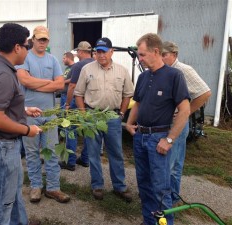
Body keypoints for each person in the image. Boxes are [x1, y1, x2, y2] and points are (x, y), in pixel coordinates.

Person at [0, 23, 42, 225]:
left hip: (2, 145)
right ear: (17, 47)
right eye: (27, 45)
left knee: (11, 195)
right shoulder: (3, 74)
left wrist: (21, 111)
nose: (28, 49)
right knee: (1, 203)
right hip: (1, 146)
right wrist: (27, 130)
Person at [125, 33, 190, 225]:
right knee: (144, 184)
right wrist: (129, 123)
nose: (140, 58)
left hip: (159, 138)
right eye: (139, 54)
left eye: (143, 54)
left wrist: (169, 139)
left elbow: (185, 110)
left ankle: (165, 223)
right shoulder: (143, 77)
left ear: (156, 51)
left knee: (160, 188)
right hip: (140, 137)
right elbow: (137, 103)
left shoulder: (174, 75)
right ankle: (149, 221)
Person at [74, 37, 134, 202]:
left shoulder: (122, 71)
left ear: (111, 51)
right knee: (93, 153)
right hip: (92, 116)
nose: (101, 55)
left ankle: (120, 186)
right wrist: (84, 114)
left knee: (116, 153)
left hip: (113, 117)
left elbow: (128, 94)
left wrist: (121, 113)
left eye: (104, 51)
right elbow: (78, 94)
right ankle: (97, 185)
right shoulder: (87, 69)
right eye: (98, 52)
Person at [16, 25, 70, 204]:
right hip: (30, 114)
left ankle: (53, 188)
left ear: (48, 41)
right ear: (33, 39)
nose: (42, 42)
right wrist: (49, 82)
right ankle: (36, 186)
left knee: (52, 152)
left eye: (45, 39)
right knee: (32, 153)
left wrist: (36, 82)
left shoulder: (53, 60)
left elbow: (60, 85)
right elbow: (24, 80)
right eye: (39, 39)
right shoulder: (25, 57)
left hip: (50, 114)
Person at [162, 41, 211, 204]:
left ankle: (170, 199)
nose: (162, 58)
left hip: (177, 123)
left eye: (165, 55)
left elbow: (205, 92)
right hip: (164, 122)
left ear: (174, 55)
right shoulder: (165, 71)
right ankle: (165, 194)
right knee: (166, 161)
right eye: (160, 54)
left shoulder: (183, 70)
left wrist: (186, 112)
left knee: (172, 163)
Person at [59, 41, 95, 171]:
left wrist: (68, 104)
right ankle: (85, 159)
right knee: (88, 131)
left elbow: (72, 86)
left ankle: (71, 162)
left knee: (70, 130)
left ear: (80, 52)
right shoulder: (96, 64)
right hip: (90, 102)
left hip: (76, 101)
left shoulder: (78, 65)